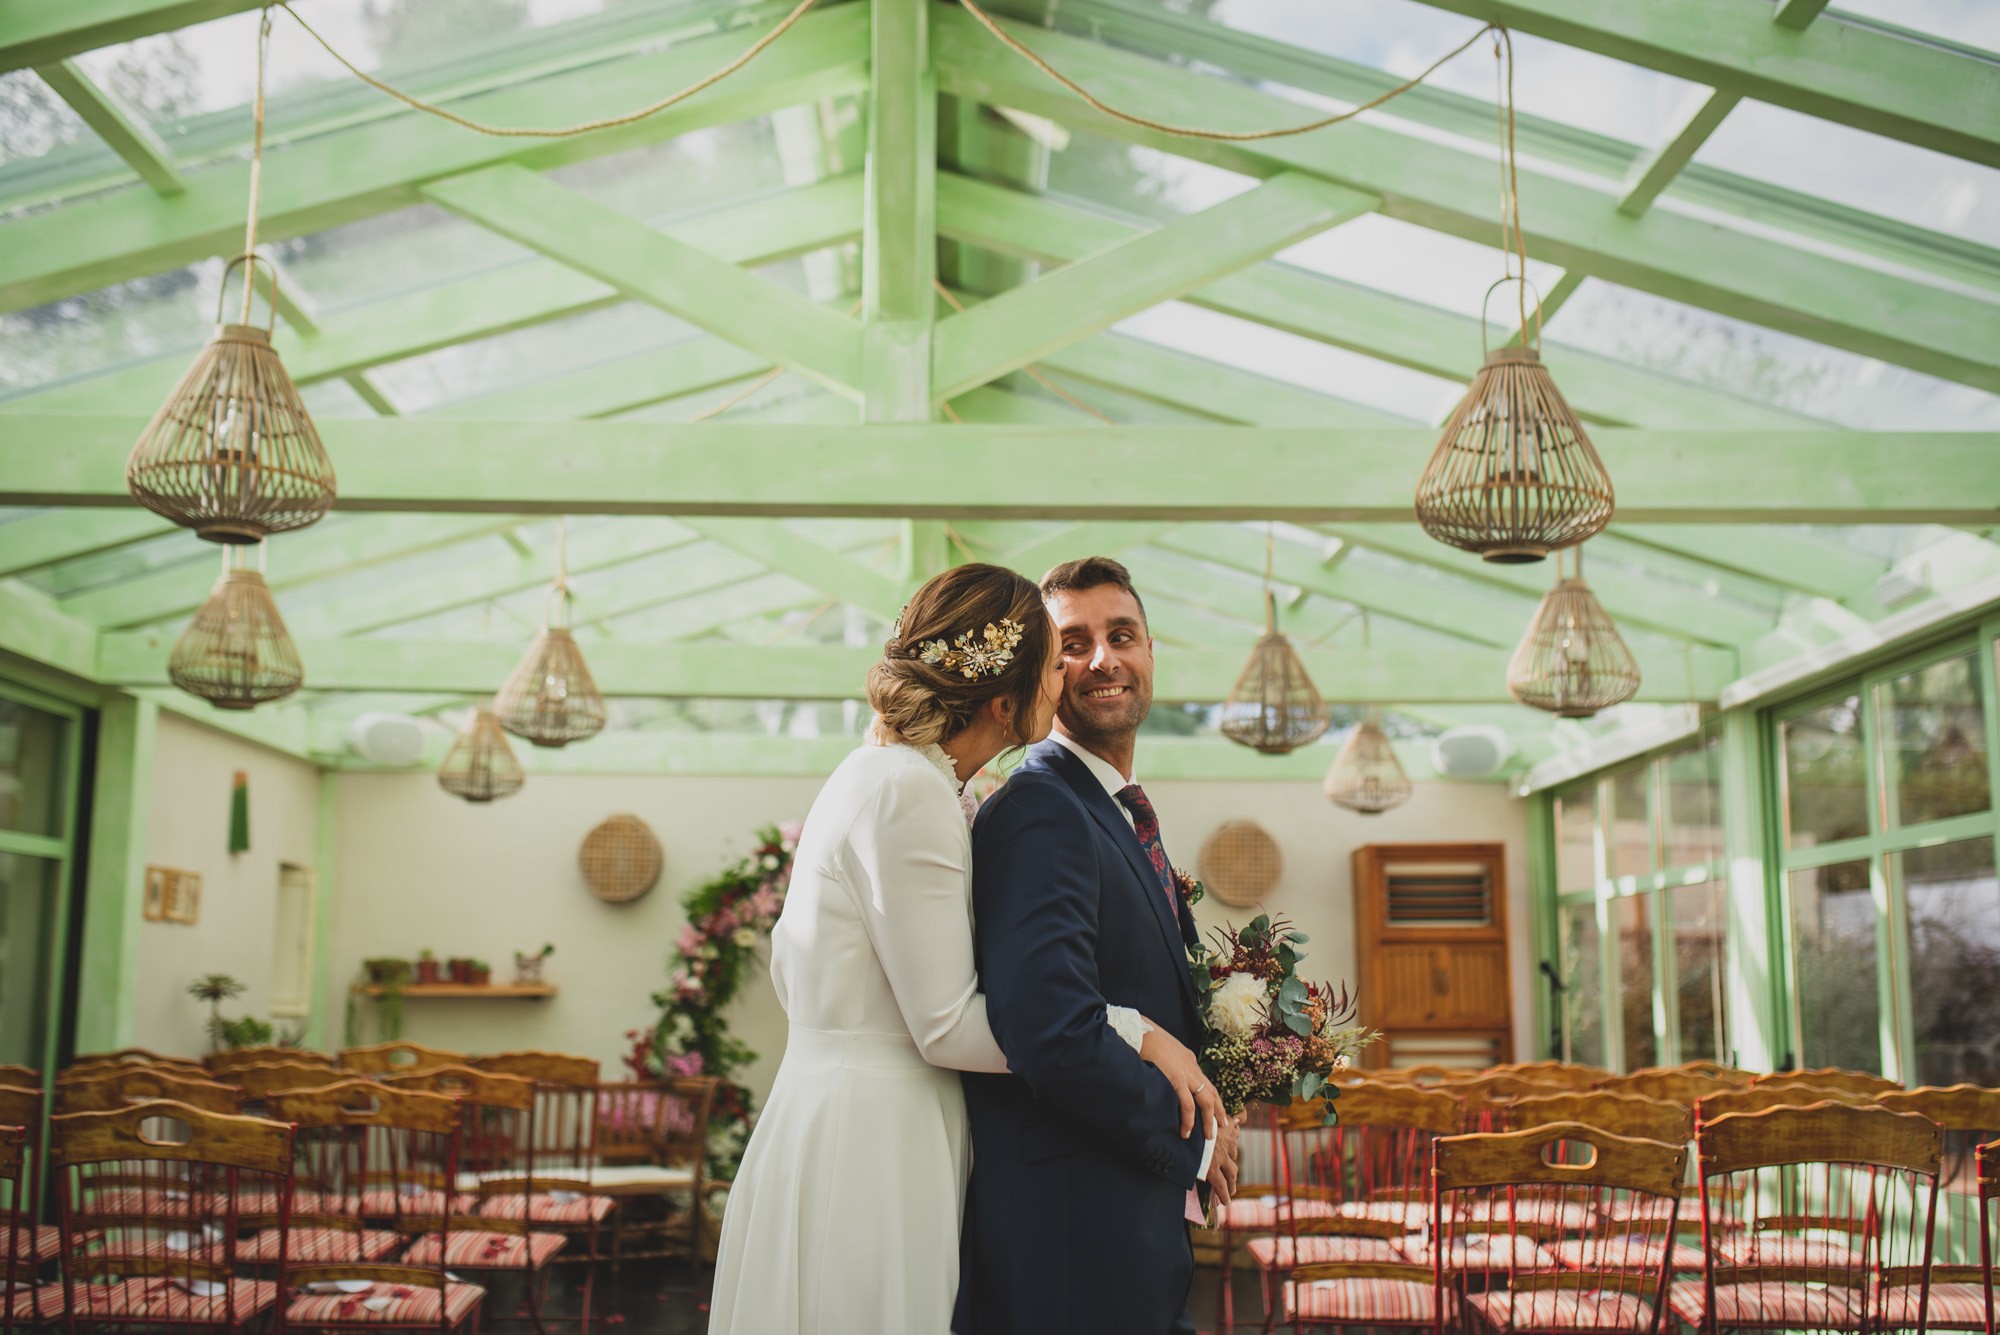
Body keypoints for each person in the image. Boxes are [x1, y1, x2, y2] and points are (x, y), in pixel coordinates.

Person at [708, 563, 1224, 1335]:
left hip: (870, 1112)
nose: (1074, 673)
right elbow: (950, 1024)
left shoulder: (903, 780)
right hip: (873, 1135)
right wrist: (1139, 1033)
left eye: (1120, 637)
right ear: (1006, 699)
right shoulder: (908, 790)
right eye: (1056, 657)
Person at [955, 556, 1239, 1335]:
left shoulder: (1112, 809)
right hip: (1071, 1240)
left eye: (1122, 635)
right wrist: (1193, 1136)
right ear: (1040, 675)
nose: (1102, 659)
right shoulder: (1039, 810)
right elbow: (1049, 1027)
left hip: (1124, 1226)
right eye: (1072, 645)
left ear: (1150, 651)